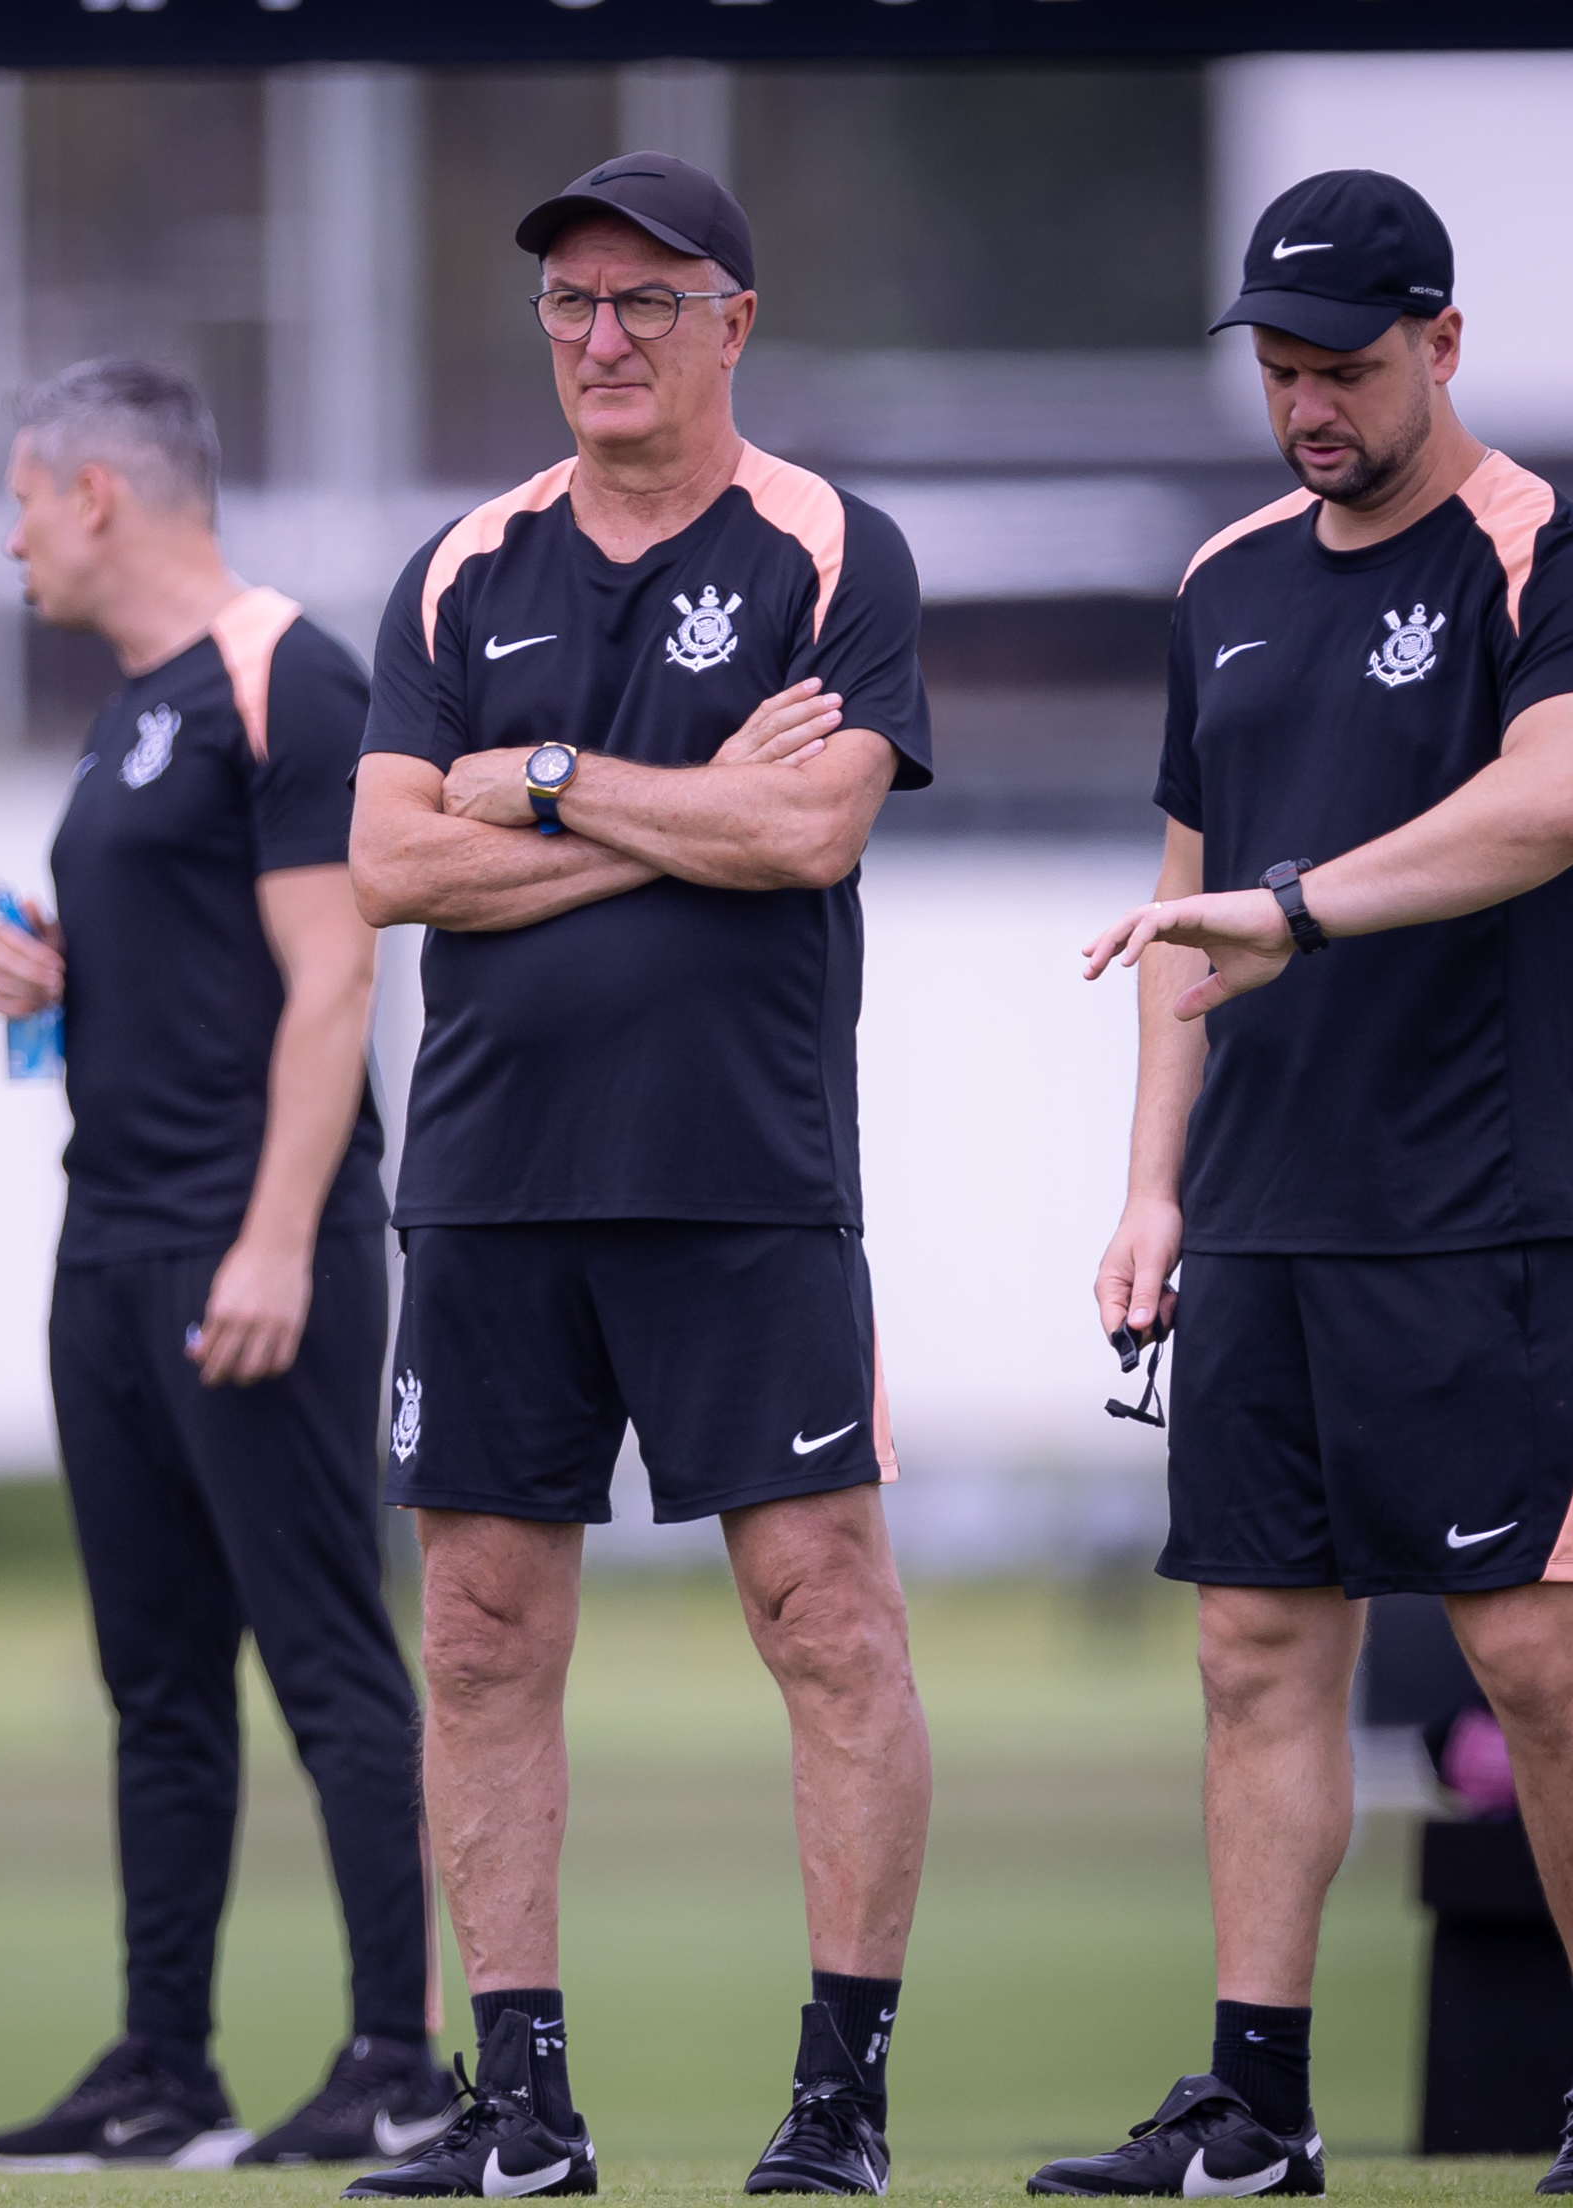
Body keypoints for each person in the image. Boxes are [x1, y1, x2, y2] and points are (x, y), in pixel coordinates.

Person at [1040, 171, 1573, 2198]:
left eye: (1349, 369)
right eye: (1286, 373)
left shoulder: (1547, 555)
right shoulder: (1222, 581)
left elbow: (1564, 798)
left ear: (1445, 346)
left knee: (1530, 1647)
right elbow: (1179, 919)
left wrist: (1303, 910)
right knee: (1254, 1654)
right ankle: (1256, 2109)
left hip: (1480, 1204)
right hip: (1259, 1215)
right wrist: (1151, 1192)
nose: (1312, 408)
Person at [343, 154, 933, 2200]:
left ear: (732, 325)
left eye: (645, 305)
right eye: (572, 307)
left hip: (742, 1177)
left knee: (827, 1617)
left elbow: (813, 839)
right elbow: (388, 865)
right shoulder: (457, 567)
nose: (600, 340)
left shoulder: (830, 549)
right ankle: (523, 2115)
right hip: (494, 1185)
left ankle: (839, 2111)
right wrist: (669, 805)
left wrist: (550, 778)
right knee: (485, 1636)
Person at [0, 359, 450, 2172]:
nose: (7, 534)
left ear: (99, 492)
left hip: (254, 1250)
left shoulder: (287, 674)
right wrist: (44, 979)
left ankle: (398, 2057)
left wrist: (271, 1236)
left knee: (327, 1654)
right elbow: (186, 966)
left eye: (21, 498)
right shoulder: (127, 714)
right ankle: (163, 2063)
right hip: (109, 1252)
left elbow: (336, 978)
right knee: (155, 1679)